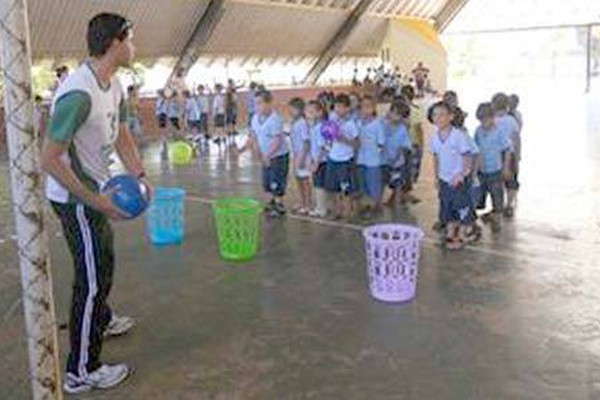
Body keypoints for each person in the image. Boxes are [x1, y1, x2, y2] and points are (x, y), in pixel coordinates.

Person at [40, 13, 151, 393]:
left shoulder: (114, 84)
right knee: (92, 278)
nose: (135, 47)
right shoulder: (78, 93)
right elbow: (49, 158)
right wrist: (95, 201)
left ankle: (99, 318)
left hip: (96, 194)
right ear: (116, 43)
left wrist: (139, 175)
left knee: (101, 262)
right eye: (131, 40)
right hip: (76, 200)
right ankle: (81, 369)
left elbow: (121, 133)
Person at [429, 101, 473, 250]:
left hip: (458, 180)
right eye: (435, 115)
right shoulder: (435, 138)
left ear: (451, 117)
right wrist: (436, 177)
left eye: (442, 115)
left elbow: (467, 156)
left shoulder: (458, 136)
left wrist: (461, 174)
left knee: (461, 208)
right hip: (444, 179)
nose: (438, 118)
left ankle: (461, 236)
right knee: (446, 207)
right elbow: (436, 158)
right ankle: (449, 234)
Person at [239, 89, 289, 216]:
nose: (257, 107)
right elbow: (253, 136)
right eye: (255, 104)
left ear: (269, 103)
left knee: (276, 180)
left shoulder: (275, 120)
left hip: (277, 156)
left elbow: (277, 141)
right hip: (265, 156)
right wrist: (243, 148)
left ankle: (279, 205)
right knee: (267, 181)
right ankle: (272, 202)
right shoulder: (255, 118)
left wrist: (268, 155)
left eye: (260, 103)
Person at [474, 102, 512, 233]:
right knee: (478, 196)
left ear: (492, 117)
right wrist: (475, 168)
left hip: (495, 170)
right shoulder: (478, 131)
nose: (483, 123)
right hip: (481, 171)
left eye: (486, 119)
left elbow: (507, 149)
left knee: (497, 196)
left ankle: (497, 220)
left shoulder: (499, 132)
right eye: (481, 120)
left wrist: (506, 167)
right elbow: (476, 149)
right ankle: (482, 217)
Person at [324, 94, 359, 219]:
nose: (338, 109)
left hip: (345, 161)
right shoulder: (332, 118)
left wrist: (342, 138)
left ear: (348, 108)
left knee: (346, 189)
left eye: (341, 107)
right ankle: (336, 211)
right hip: (333, 158)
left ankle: (347, 212)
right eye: (336, 106)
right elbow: (327, 135)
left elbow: (356, 144)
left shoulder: (350, 123)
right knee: (332, 189)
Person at [356, 96, 386, 217]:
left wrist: (375, 152)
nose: (366, 109)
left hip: (373, 160)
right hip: (360, 159)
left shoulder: (377, 124)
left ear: (374, 108)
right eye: (363, 106)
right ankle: (366, 205)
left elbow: (381, 142)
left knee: (373, 183)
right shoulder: (358, 123)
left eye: (369, 106)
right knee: (363, 183)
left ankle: (374, 206)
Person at [492, 93, 520, 218]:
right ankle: (509, 204)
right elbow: (516, 139)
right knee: (512, 180)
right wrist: (518, 155)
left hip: (496, 154)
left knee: (497, 181)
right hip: (511, 153)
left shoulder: (492, 121)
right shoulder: (512, 120)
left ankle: (499, 205)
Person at [383, 100, 412, 207]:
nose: (394, 116)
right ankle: (388, 202)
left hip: (398, 163)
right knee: (386, 183)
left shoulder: (402, 129)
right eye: (393, 112)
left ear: (402, 118)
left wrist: (396, 158)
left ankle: (397, 206)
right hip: (385, 161)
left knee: (398, 184)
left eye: (398, 115)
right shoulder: (383, 125)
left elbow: (404, 147)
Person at [400, 85, 424, 203]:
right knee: (408, 170)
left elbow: (418, 128)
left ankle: (403, 193)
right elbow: (418, 129)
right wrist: (421, 144)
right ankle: (404, 193)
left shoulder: (410, 110)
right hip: (409, 145)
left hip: (408, 144)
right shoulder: (414, 110)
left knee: (406, 169)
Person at [288, 98, 312, 215]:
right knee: (298, 180)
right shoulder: (294, 122)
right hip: (296, 154)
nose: (290, 111)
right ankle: (302, 202)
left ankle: (307, 204)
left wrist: (302, 158)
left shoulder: (302, 123)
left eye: (293, 109)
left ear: (299, 110)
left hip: (303, 155)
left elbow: (306, 142)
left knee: (305, 181)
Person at [307, 100, 328, 218]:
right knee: (317, 185)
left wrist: (316, 162)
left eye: (311, 112)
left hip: (321, 161)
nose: (308, 114)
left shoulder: (320, 127)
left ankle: (321, 208)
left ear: (320, 112)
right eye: (307, 112)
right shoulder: (314, 126)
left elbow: (322, 147)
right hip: (317, 160)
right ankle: (320, 207)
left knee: (319, 186)